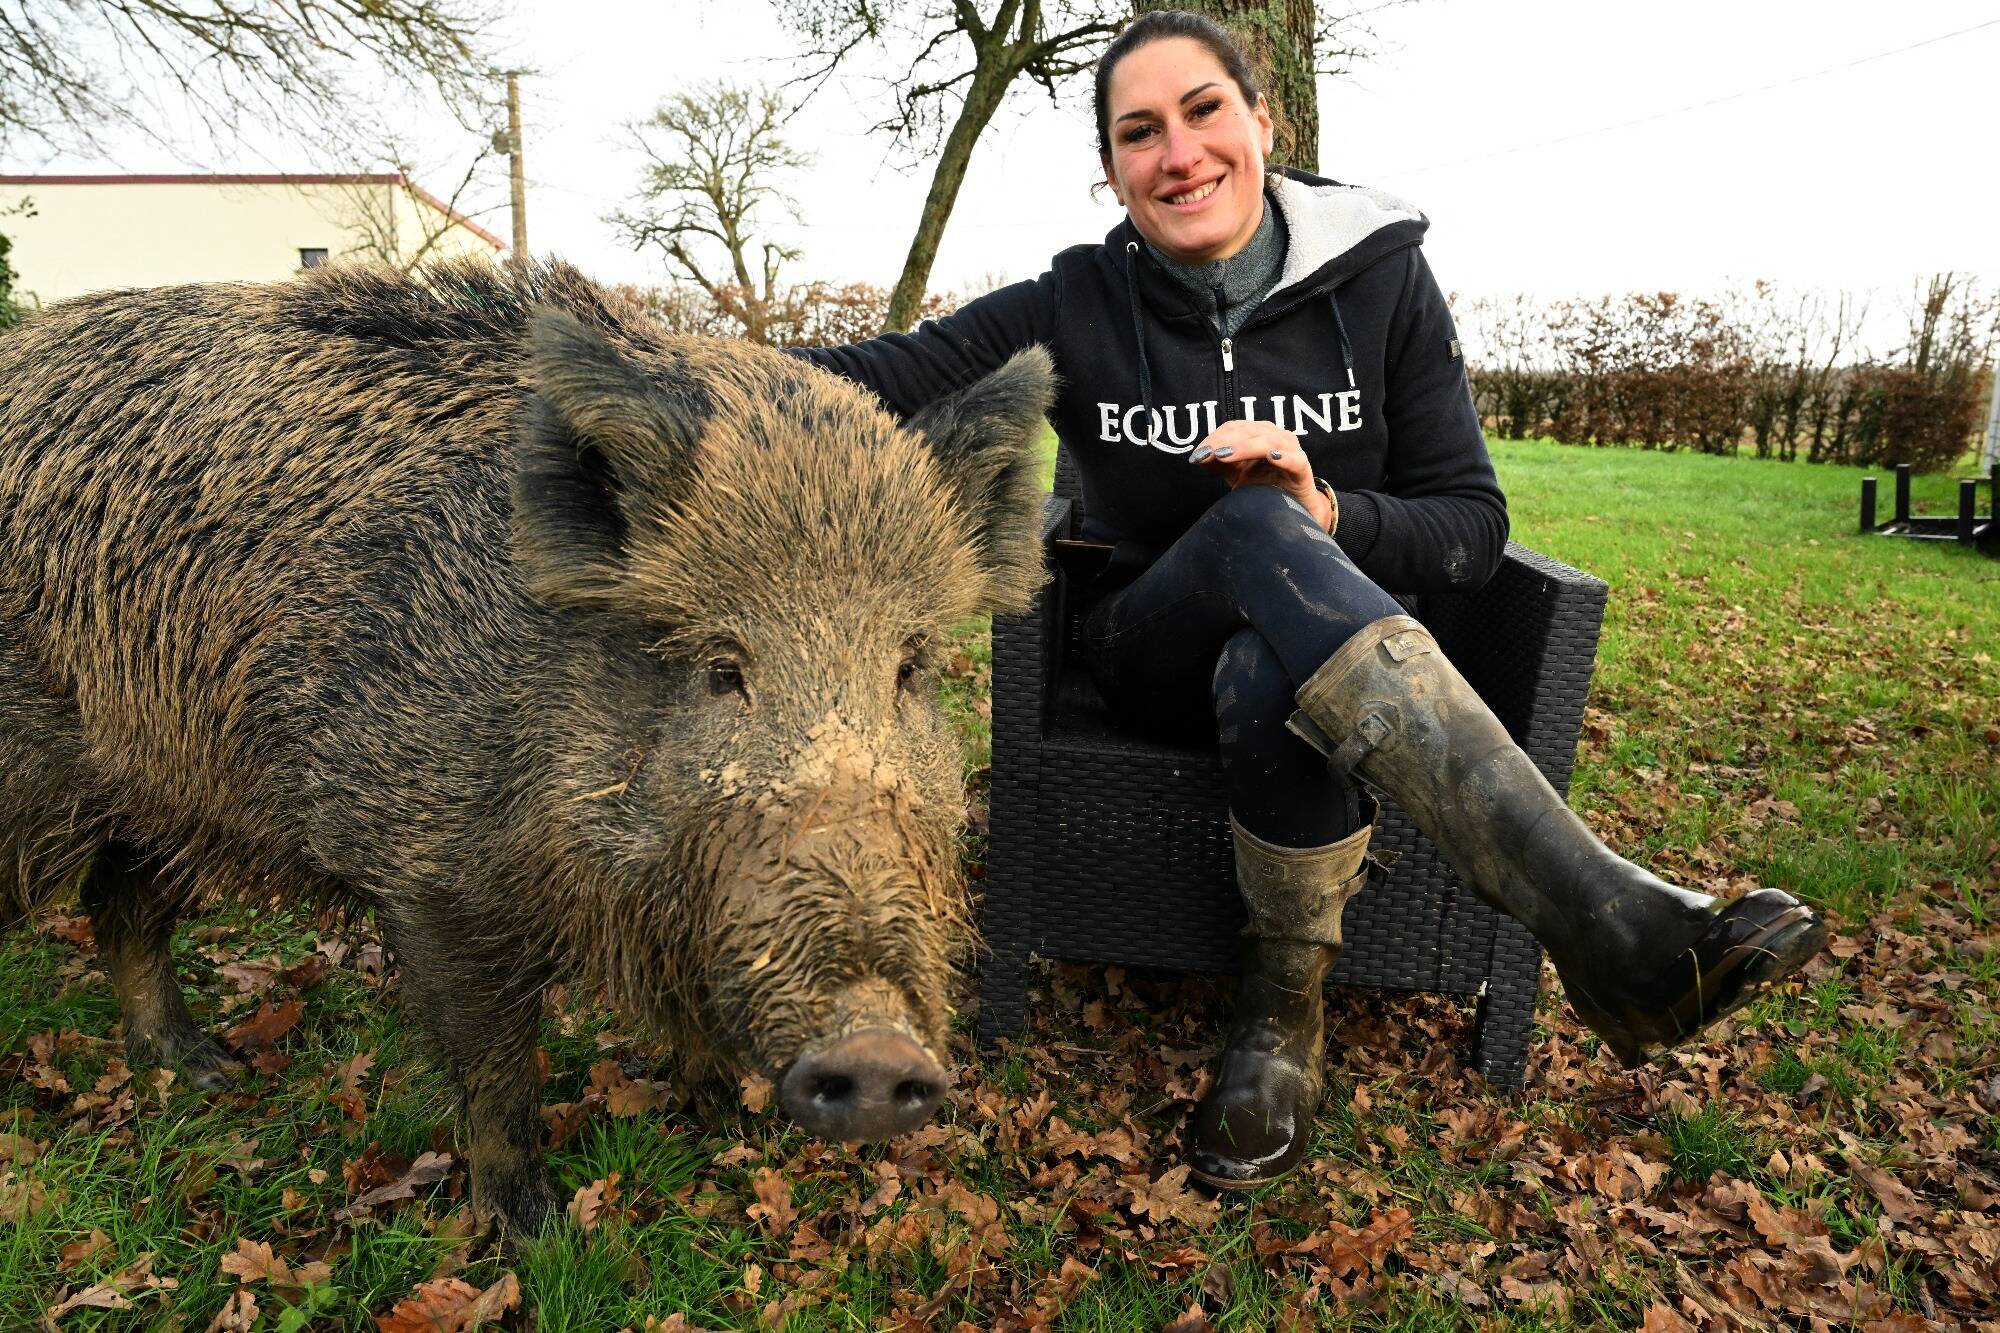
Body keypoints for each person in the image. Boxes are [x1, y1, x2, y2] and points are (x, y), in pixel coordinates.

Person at [795, 9, 1826, 1190]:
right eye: (1138, 133)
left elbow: (1472, 527)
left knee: (1265, 654)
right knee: (1242, 529)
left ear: (1261, 122)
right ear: (1112, 168)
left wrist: (1327, 509)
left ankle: (1278, 1022)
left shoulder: (1379, 281)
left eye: (1201, 113)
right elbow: (875, 379)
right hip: (1145, 652)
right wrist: (639, 358)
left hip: (1326, 663)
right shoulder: (1074, 300)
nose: (1176, 153)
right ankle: (1598, 913)